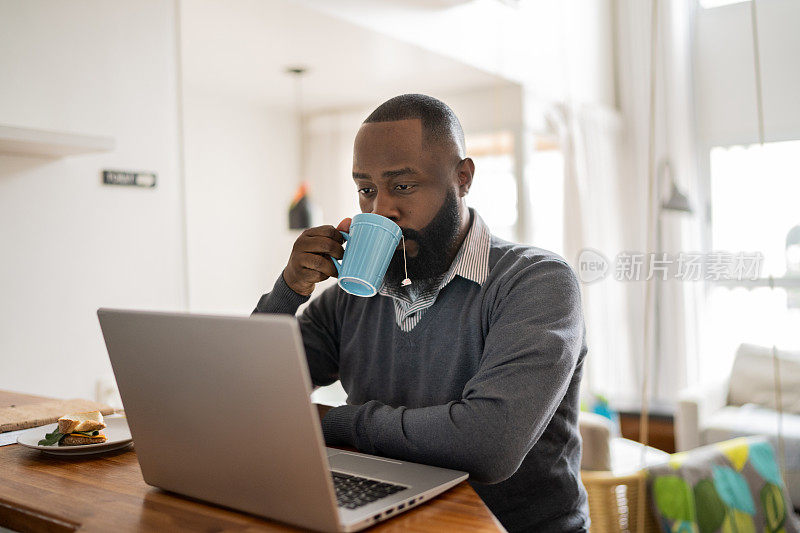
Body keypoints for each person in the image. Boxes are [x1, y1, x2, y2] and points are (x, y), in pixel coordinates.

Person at [253, 94, 589, 531]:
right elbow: (255, 392)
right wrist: (289, 290)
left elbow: (488, 445)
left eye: (403, 186)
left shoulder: (536, 281)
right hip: (389, 519)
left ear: (463, 178)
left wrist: (335, 421)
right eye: (366, 190)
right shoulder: (355, 294)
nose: (381, 211)